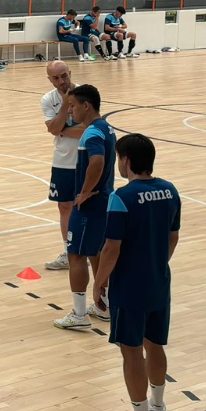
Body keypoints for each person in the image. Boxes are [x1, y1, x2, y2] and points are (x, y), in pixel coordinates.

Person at [92, 132, 181, 411]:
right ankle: (158, 406)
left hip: (129, 286)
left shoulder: (122, 197)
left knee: (131, 352)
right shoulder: (170, 191)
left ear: (126, 160)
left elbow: (111, 248)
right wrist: (157, 263)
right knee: (154, 344)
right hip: (159, 281)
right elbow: (173, 236)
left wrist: (99, 282)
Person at [54, 84, 115, 332]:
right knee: (96, 253)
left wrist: (86, 191)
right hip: (104, 203)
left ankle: (79, 314)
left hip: (90, 205)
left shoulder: (91, 133)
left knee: (76, 255)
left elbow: (97, 162)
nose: (70, 111)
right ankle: (103, 305)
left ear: (86, 106)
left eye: (72, 106)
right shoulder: (107, 128)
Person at [39, 61, 88, 272]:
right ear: (50, 80)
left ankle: (88, 249)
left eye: (64, 75)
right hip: (62, 161)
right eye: (56, 78)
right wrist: (65, 106)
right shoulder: (48, 99)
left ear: (70, 72)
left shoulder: (87, 93)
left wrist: (62, 129)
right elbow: (53, 129)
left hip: (87, 159)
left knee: (86, 206)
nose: (61, 81)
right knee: (65, 206)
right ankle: (69, 252)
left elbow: (88, 128)